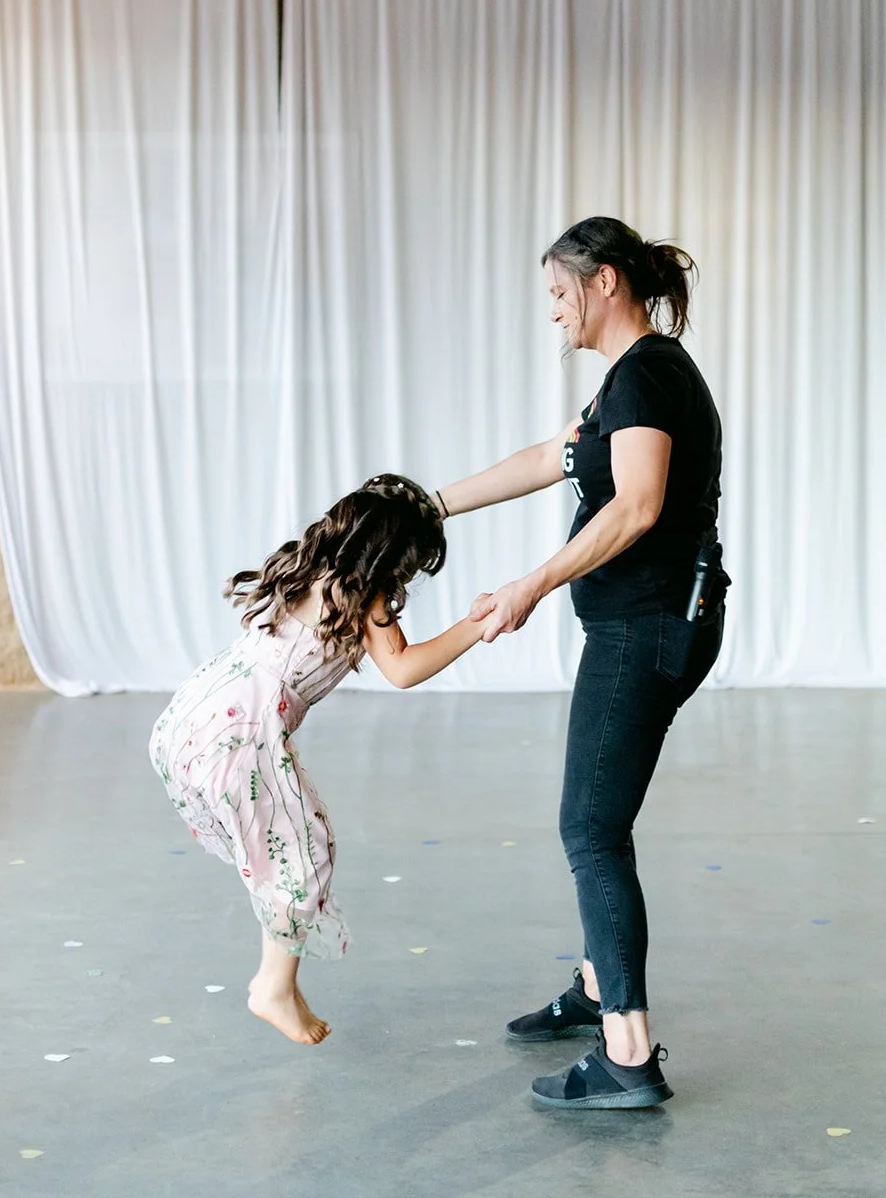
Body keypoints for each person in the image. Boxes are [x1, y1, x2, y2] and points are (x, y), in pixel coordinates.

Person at [436, 216, 729, 1111]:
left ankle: (627, 1056)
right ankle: (601, 987)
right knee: (598, 820)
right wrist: (426, 504)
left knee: (590, 830)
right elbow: (546, 459)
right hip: (645, 624)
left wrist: (527, 585)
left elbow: (637, 506)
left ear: (604, 282)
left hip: (646, 629)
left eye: (560, 293)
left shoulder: (646, 376)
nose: (554, 312)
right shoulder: (625, 381)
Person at [149, 474, 488, 1047]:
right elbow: (403, 669)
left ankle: (279, 982)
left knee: (293, 844)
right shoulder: (363, 597)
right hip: (242, 734)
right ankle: (273, 987)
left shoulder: (310, 567)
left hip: (199, 714)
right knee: (302, 852)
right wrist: (477, 626)